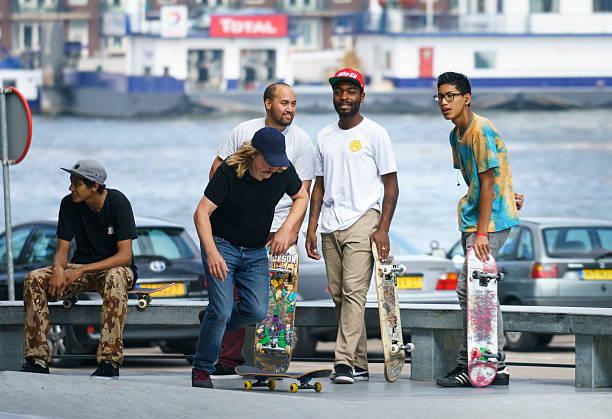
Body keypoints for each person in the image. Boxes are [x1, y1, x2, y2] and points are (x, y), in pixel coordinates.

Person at [202, 82, 315, 378]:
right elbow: (212, 183)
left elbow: (303, 191)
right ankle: (216, 361)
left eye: (293, 103)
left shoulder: (298, 145)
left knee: (257, 307)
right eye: (283, 103)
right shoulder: (242, 136)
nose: (289, 109)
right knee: (224, 304)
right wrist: (228, 198)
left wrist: (290, 230)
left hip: (272, 231)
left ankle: (215, 324)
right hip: (227, 235)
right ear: (268, 103)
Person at [305, 68, 399, 384]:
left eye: (350, 91)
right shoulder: (324, 136)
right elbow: (318, 186)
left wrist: (383, 228)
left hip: (364, 219)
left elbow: (391, 186)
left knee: (354, 292)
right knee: (340, 298)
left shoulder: (376, 134)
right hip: (331, 224)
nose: (344, 97)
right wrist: (311, 227)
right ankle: (358, 363)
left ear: (361, 95)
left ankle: (343, 362)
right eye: (338, 91)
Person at [433, 72, 524, 387]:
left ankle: (471, 363)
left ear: (466, 98)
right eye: (440, 97)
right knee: (483, 292)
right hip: (476, 217)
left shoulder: (480, 130)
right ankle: (494, 365)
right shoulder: (455, 135)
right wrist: (508, 193)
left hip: (489, 223)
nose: (445, 102)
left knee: (469, 289)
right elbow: (481, 178)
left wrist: (483, 232)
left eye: (451, 96)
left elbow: (487, 182)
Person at [20, 159, 138, 379]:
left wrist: (81, 270)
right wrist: (57, 269)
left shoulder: (118, 202)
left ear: (94, 185)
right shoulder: (68, 204)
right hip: (80, 268)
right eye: (70, 182)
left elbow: (125, 256)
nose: (70, 188)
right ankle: (37, 360)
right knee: (33, 278)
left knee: (114, 277)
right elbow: (62, 250)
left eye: (76, 183)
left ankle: (109, 362)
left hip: (116, 270)